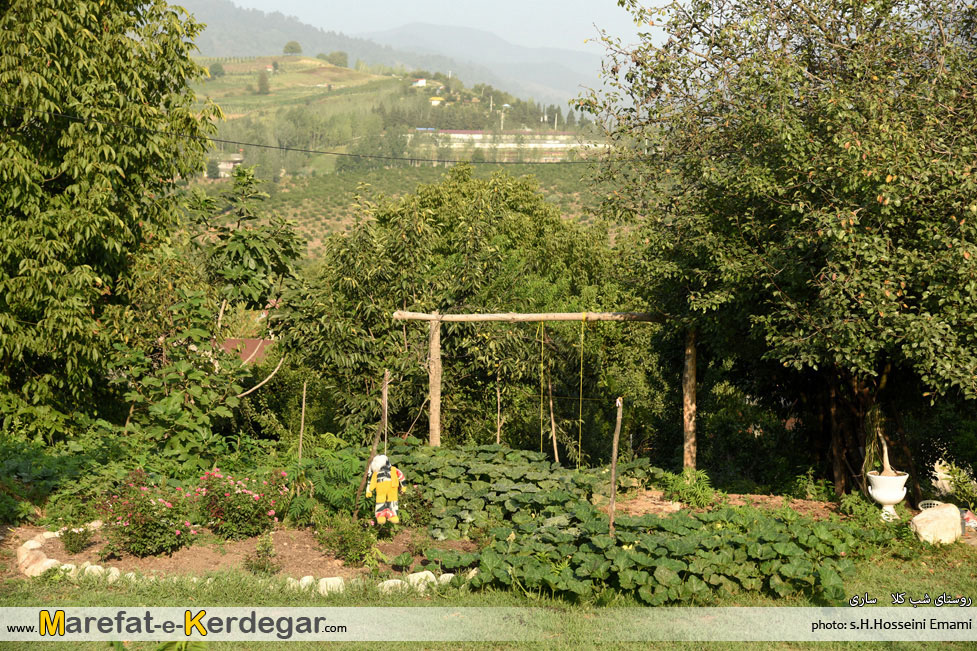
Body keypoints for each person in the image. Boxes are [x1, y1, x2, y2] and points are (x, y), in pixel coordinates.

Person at [365, 454, 406, 524]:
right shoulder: (376, 472)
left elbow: (401, 476)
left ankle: (393, 516)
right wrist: (369, 490)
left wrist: (403, 486)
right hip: (381, 490)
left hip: (392, 489)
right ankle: (380, 516)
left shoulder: (394, 470)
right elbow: (373, 481)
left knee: (393, 502)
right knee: (380, 502)